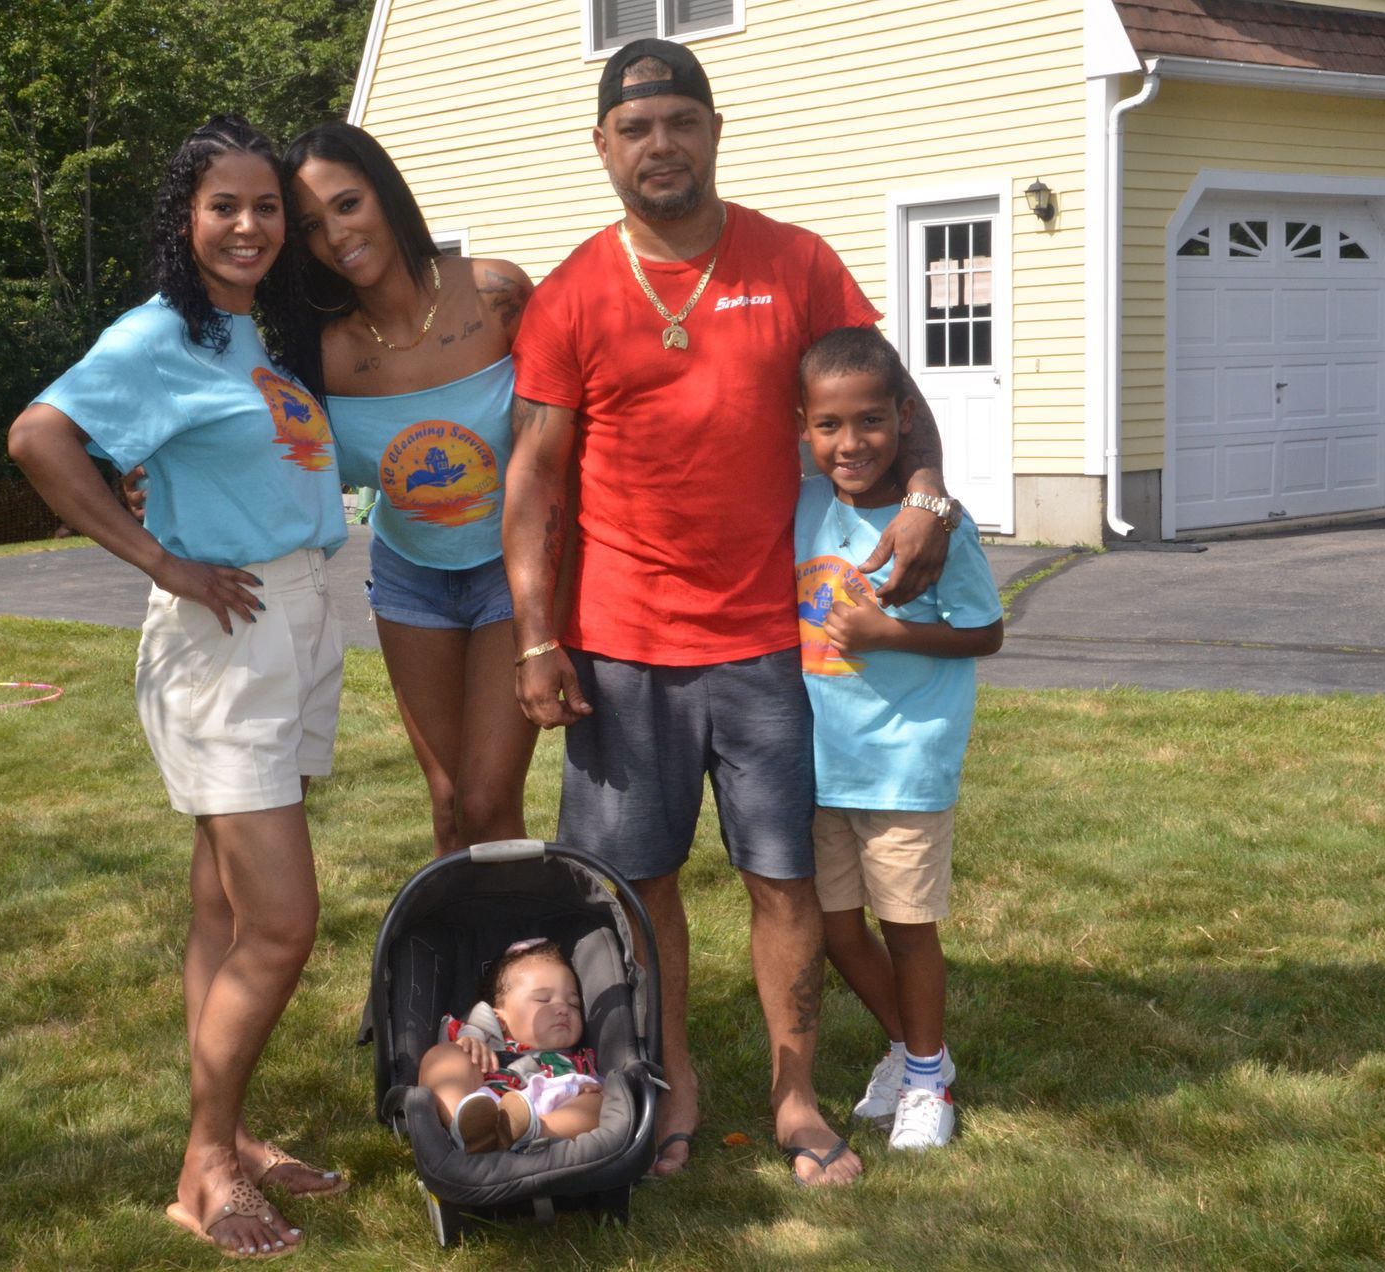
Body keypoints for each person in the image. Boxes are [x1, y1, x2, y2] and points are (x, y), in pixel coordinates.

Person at [500, 39, 966, 1186]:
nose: (660, 144)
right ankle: (671, 1085)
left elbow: (895, 401)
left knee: (784, 881)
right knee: (636, 883)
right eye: (635, 128)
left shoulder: (795, 263)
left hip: (772, 646)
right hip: (620, 648)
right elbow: (533, 482)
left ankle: (797, 1095)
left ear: (712, 129)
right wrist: (536, 635)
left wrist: (923, 495)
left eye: (679, 121)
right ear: (604, 148)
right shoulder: (571, 293)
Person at [6, 115, 347, 1259]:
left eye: (267, 210)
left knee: (223, 907)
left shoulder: (270, 334)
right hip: (223, 639)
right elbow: (39, 437)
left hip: (298, 618)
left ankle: (232, 1134)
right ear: (185, 220)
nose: (250, 228)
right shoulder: (159, 337)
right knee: (284, 924)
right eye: (225, 207)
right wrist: (158, 559)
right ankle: (204, 1167)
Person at [282, 122, 540, 858]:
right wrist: (155, 477)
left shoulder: (496, 294)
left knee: (491, 799)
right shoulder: (321, 352)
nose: (336, 234)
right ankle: (473, 973)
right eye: (311, 226)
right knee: (452, 805)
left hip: (508, 575)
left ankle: (526, 966)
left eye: (348, 203)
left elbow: (580, 419)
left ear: (386, 193)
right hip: (410, 583)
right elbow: (256, 442)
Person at [793, 326, 1003, 1151]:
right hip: (820, 763)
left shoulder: (942, 527)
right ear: (804, 429)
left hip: (905, 761)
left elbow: (984, 632)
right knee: (837, 928)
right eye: (829, 426)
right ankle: (918, 1052)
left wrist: (887, 634)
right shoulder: (803, 505)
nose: (852, 444)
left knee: (907, 926)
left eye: (872, 422)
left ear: (905, 419)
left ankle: (926, 1082)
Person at [418, 939, 605, 1153]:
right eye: (543, 1000)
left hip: (546, 1117)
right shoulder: (482, 1047)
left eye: (574, 1004)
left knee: (599, 1103)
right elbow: (451, 1058)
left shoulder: (580, 1059)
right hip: (484, 1107)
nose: (563, 1008)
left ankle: (530, 1135)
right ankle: (462, 1126)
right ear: (499, 1020)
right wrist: (469, 1042)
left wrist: (593, 1090)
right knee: (443, 1056)